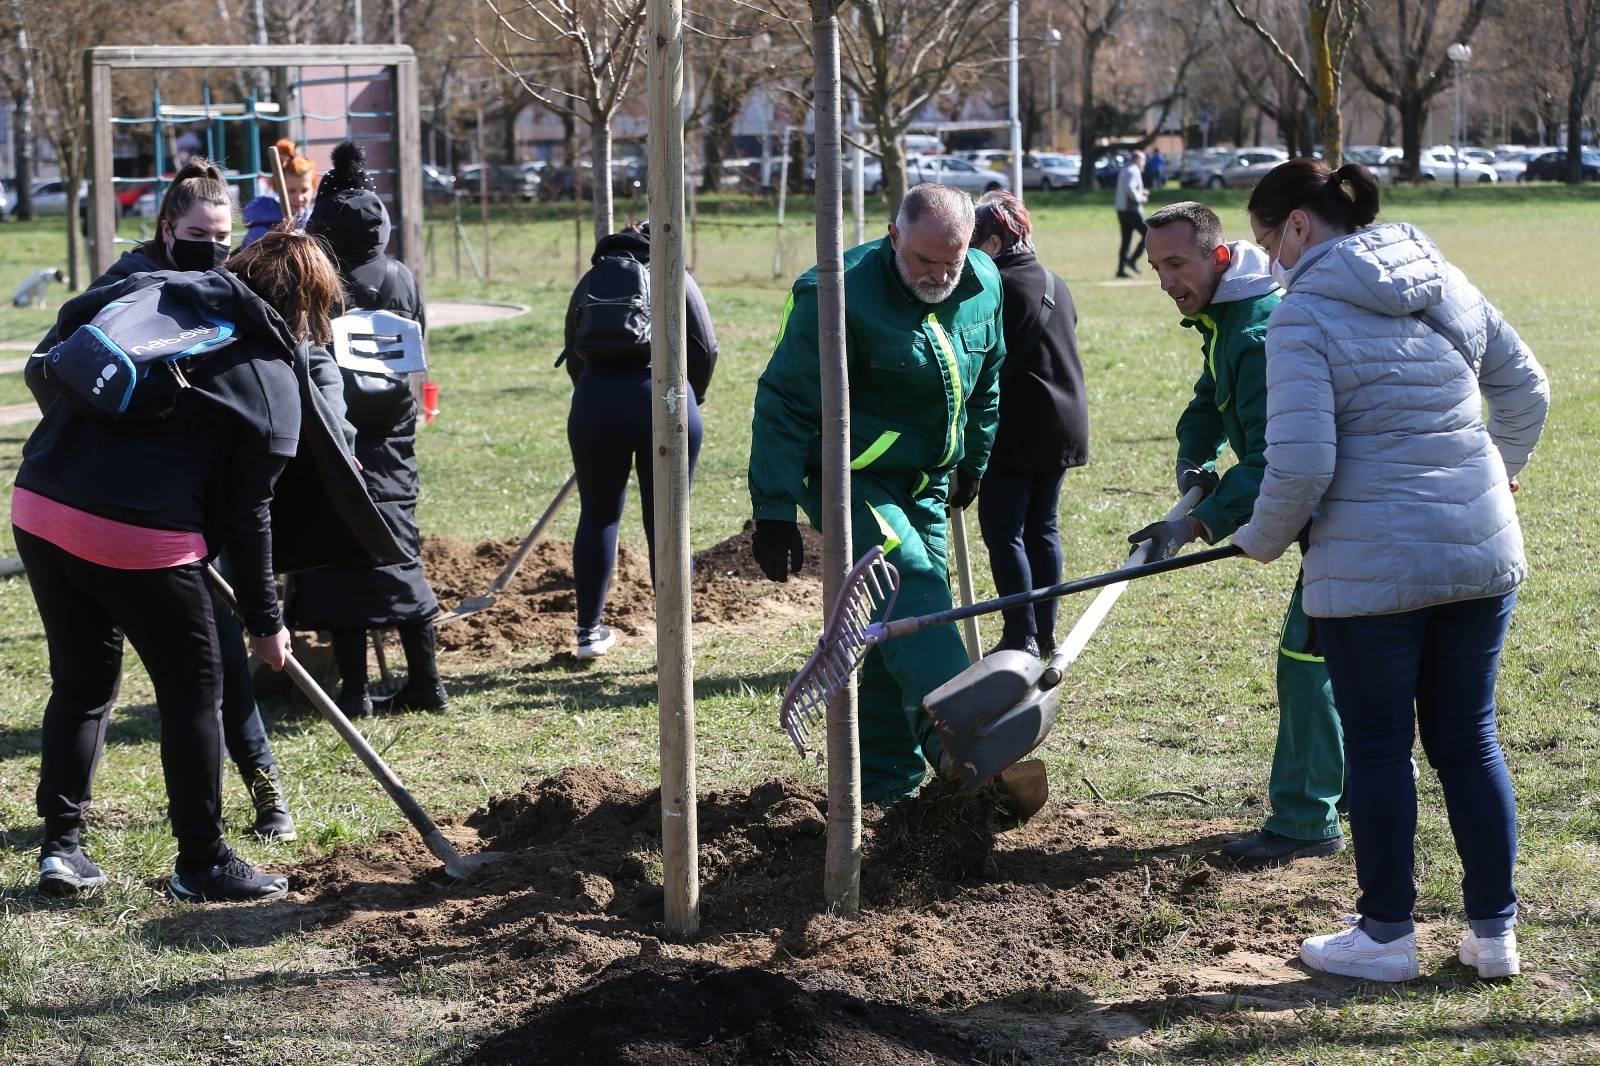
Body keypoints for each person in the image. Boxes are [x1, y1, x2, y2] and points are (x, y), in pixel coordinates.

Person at [1232, 159, 1549, 981]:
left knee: (1377, 748)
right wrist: (1497, 477)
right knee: (1469, 739)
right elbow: (1528, 392)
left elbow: (1299, 469)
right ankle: (1493, 936)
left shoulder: (1299, 318)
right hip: (1480, 550)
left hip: (1373, 572)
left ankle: (1384, 936)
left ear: (1297, 226)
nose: (1269, 263)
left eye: (1269, 241)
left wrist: (1258, 541)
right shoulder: (1444, 279)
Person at [18, 229, 347, 902]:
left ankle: (61, 849)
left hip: (41, 504)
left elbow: (62, 341)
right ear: (307, 308)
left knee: (80, 684)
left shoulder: (159, 294)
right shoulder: (270, 378)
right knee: (196, 692)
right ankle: (202, 862)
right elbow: (248, 517)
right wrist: (265, 622)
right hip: (137, 537)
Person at [28, 160, 302, 842]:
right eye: (200, 232)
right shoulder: (127, 289)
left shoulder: (219, 299)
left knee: (211, 675)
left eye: (224, 234)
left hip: (158, 513)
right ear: (166, 229)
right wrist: (108, 427)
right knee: (185, 683)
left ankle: (267, 795)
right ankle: (183, 850)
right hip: (141, 519)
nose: (214, 246)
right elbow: (50, 367)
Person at [749, 183, 1005, 807]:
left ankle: (890, 786)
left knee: (903, 624)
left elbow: (988, 373)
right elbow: (783, 399)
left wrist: (973, 458)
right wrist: (774, 509)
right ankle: (965, 737)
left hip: (928, 479)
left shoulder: (980, 281)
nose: (940, 275)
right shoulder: (834, 293)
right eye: (925, 261)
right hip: (848, 477)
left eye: (953, 260)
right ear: (895, 236)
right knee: (905, 577)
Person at [1130, 200, 1345, 869]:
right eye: (1156, 267)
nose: (1166, 281)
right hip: (1328, 510)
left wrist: (1195, 523)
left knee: (1309, 662)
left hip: (1346, 517)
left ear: (1219, 257)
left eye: (1176, 263)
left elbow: (1272, 459)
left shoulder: (1255, 332)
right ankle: (1350, 793)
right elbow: (1207, 399)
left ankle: (1308, 819)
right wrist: (1193, 458)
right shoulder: (1222, 319)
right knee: (1339, 659)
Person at [286, 141, 445, 716]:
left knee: (338, 554)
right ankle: (426, 680)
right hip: (394, 430)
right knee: (401, 548)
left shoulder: (313, 275)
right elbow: (420, 337)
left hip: (334, 429)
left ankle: (354, 691)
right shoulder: (400, 275)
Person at [557, 222, 717, 658]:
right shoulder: (672, 274)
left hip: (595, 402)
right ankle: (676, 631)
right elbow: (705, 347)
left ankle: (588, 632)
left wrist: (593, 394)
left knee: (598, 516)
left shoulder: (593, 277)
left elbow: (572, 348)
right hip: (663, 398)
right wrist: (690, 398)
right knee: (667, 519)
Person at [968, 190, 1087, 657]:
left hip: (1015, 424)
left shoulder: (992, 287)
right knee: (1042, 528)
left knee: (1004, 531)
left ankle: (1021, 633)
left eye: (975, 239)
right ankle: (1045, 630)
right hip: (1062, 421)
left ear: (994, 241)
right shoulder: (1056, 282)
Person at [1114, 150, 1148, 278]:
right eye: (1143, 159)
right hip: (1131, 210)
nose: (1144, 162)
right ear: (1138, 159)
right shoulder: (1133, 170)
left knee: (1126, 240)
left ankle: (1121, 270)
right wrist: (1140, 197)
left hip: (1122, 210)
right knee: (1148, 233)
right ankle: (1132, 260)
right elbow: (1130, 188)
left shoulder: (1125, 169)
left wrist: (1140, 192)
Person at [274, 138, 317, 218]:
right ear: (277, 188)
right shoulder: (263, 224)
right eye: (291, 191)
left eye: (304, 190)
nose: (299, 198)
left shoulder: (317, 222)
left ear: (313, 187)